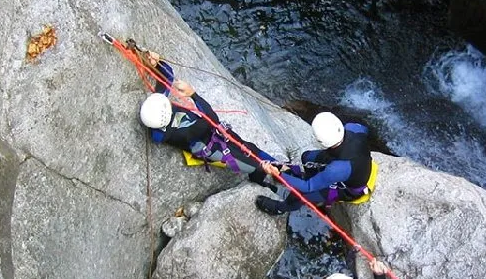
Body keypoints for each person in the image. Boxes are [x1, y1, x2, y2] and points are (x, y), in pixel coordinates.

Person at [137, 50, 276, 188]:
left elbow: (167, 74)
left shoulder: (156, 124)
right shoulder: (183, 133)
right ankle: (264, 178)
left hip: (206, 137)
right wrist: (193, 95)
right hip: (212, 147)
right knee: (248, 159)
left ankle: (275, 168)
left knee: (248, 149)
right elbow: (212, 120)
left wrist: (156, 63)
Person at [254, 111, 373, 215]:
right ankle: (313, 178)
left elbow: (308, 186)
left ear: (320, 141)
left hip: (348, 188)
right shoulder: (354, 128)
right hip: (343, 160)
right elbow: (365, 131)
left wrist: (278, 174)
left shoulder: (336, 170)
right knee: (306, 157)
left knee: (300, 194)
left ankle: (279, 209)